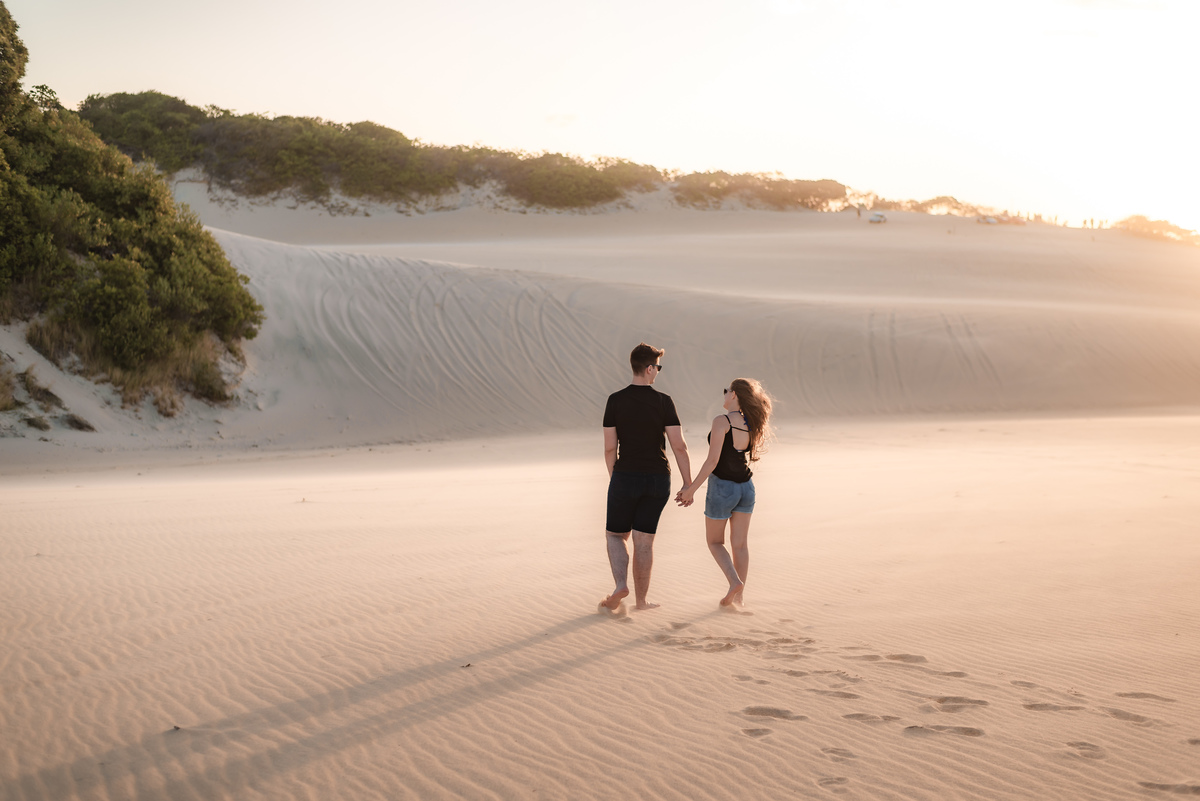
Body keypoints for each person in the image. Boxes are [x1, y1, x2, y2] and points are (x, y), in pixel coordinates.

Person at [600, 343, 692, 612]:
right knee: (644, 540)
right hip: (657, 479)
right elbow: (679, 446)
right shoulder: (663, 401)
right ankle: (641, 601)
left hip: (625, 475)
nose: (658, 373)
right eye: (658, 368)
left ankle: (620, 585)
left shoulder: (615, 400)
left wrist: (614, 478)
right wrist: (688, 484)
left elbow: (609, 447)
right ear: (649, 368)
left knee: (616, 535)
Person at [676, 378, 774, 607]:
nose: (724, 394)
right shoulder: (751, 422)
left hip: (723, 488)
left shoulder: (722, 421)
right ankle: (739, 598)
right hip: (746, 488)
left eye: (726, 391)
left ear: (734, 395)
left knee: (714, 542)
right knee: (740, 545)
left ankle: (734, 582)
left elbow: (712, 461)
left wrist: (691, 489)